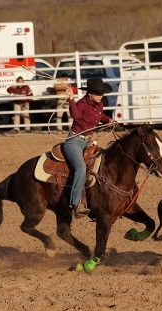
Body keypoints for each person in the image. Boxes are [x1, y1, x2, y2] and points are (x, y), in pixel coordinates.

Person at [62, 77, 116, 218]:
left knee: (103, 160)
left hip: (89, 140)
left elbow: (100, 116)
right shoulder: (82, 103)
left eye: (101, 93)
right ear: (90, 93)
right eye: (98, 93)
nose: (100, 96)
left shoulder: (99, 104)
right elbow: (75, 115)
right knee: (80, 168)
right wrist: (71, 98)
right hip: (74, 141)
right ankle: (75, 204)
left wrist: (108, 120)